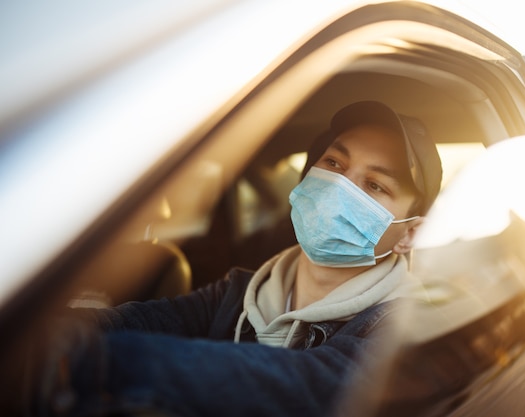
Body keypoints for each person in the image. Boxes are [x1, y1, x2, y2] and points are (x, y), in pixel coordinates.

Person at [13, 100, 443, 417]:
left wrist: (92, 360)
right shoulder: (241, 290)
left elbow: (314, 385)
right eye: (333, 162)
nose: (339, 188)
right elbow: (148, 320)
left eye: (375, 186)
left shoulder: (407, 325)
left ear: (409, 234)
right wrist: (39, 335)